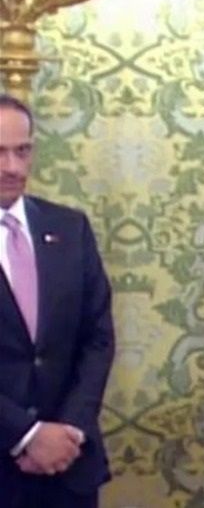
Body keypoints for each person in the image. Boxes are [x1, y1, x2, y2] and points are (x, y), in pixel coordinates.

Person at [0, 95, 115, 507]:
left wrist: (69, 429)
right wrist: (26, 435)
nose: (13, 167)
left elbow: (98, 338)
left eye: (22, 151)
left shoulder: (69, 228)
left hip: (68, 468)